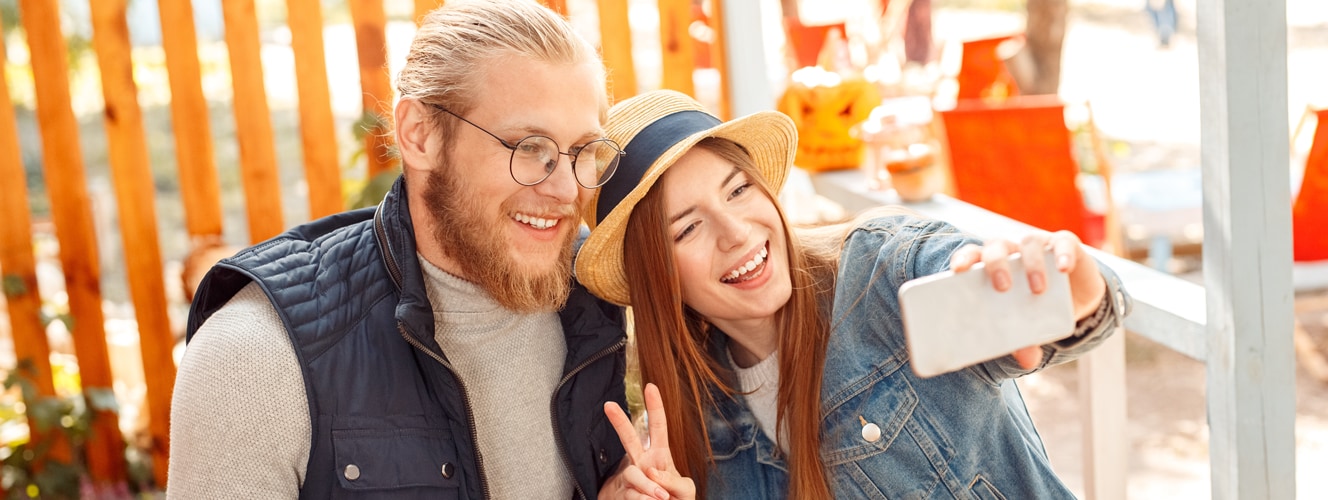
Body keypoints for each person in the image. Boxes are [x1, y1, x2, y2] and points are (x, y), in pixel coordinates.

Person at [169, 1, 660, 497]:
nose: (567, 192)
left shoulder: (600, 290)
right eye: (528, 147)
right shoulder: (257, 355)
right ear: (419, 135)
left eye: (581, 152)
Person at [579, 90, 1130, 498]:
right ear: (657, 279)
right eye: (687, 228)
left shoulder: (885, 276)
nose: (737, 232)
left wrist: (1073, 287)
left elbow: (1073, 307)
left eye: (739, 189)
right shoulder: (691, 423)